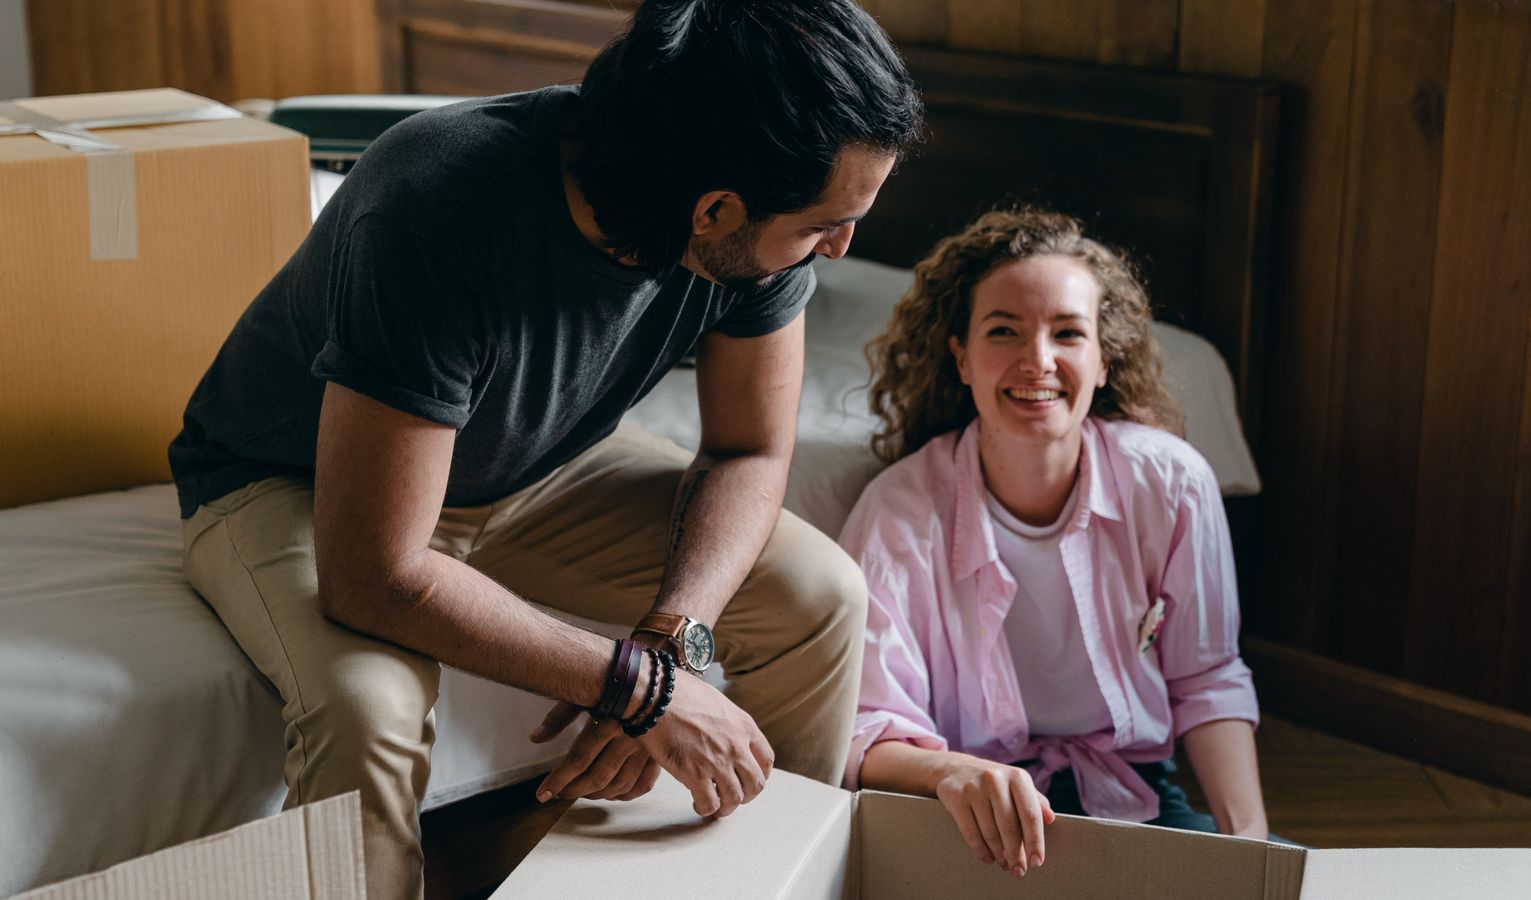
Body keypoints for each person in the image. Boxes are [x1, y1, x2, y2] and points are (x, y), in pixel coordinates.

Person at [166, 1, 922, 896]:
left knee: (821, 595)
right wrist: (638, 691)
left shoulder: (753, 224)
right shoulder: (434, 202)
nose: (839, 247)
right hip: (293, 481)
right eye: (823, 225)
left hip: (535, 466)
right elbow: (375, 572)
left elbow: (749, 451)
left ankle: (774, 876)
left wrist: (668, 651)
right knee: (368, 710)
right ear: (713, 209)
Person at [839, 208, 1268, 880]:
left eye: (1068, 333)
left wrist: (1249, 846)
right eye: (1003, 330)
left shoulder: (1172, 481)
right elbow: (866, 725)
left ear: (1103, 359)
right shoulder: (900, 509)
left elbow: (1207, 680)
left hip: (1132, 790)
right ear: (960, 356)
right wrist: (955, 774)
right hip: (960, 806)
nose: (1036, 361)